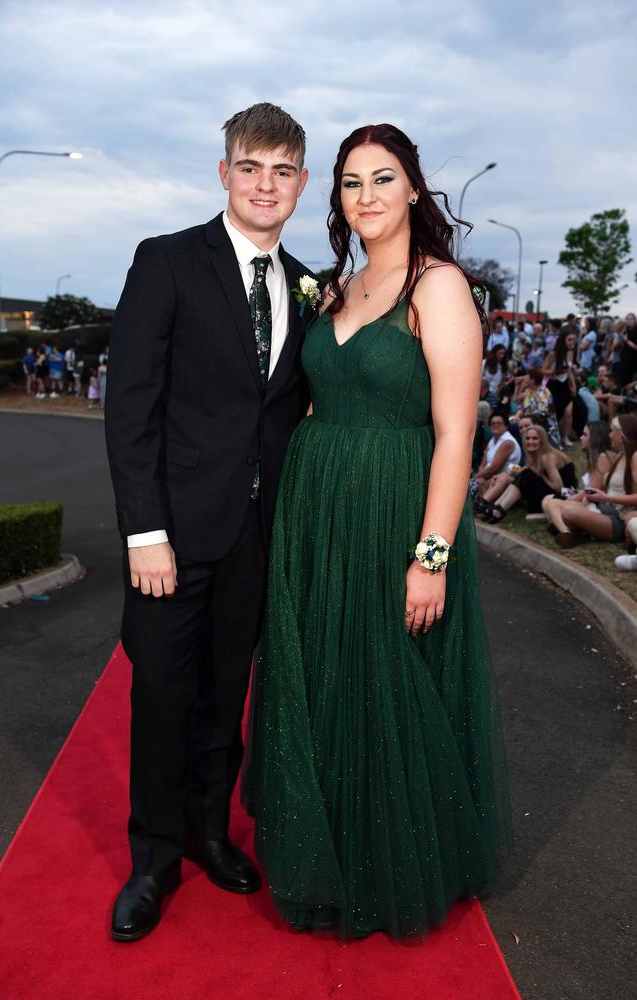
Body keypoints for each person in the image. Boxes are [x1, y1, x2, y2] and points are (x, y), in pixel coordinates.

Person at [243, 123, 512, 939]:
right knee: (327, 676)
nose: (366, 196)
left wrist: (429, 557)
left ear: (415, 190)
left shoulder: (440, 287)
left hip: (397, 509)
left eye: (382, 179)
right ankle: (324, 853)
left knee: (387, 682)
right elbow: (317, 403)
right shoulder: (336, 288)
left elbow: (457, 437)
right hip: (318, 511)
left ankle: (387, 863)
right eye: (351, 183)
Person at [104, 103, 313, 942]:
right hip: (173, 538)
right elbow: (132, 408)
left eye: (284, 171)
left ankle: (208, 832)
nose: (266, 185)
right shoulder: (167, 261)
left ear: (299, 183)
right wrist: (143, 531)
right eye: (251, 167)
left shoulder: (307, 281)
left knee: (226, 697)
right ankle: (151, 861)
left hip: (256, 538)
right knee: (160, 696)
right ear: (224, 173)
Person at [549, 414, 637, 548]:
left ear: (621, 435)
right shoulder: (620, 455)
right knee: (555, 504)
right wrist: (598, 495)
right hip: (606, 509)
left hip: (620, 518)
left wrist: (607, 498)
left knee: (568, 512)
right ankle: (568, 531)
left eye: (613, 431)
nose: (610, 435)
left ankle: (570, 531)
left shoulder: (634, 457)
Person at [481, 425, 577, 524]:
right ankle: (497, 507)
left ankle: (499, 509)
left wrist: (541, 475)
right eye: (527, 438)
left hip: (565, 495)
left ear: (542, 441)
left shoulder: (546, 456)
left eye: (535, 438)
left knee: (526, 474)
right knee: (524, 474)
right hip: (549, 492)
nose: (530, 442)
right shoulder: (535, 455)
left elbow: (559, 487)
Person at [542, 421, 614, 531]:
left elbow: (591, 491)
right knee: (547, 499)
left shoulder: (603, 458)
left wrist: (570, 500)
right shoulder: (594, 457)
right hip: (587, 499)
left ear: (595, 438)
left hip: (599, 504)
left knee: (551, 503)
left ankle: (562, 526)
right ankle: (560, 523)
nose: (581, 438)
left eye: (585, 435)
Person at [543, 329, 577, 445]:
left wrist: (573, 385)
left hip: (565, 385)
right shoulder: (553, 354)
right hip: (553, 386)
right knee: (554, 414)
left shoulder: (571, 353)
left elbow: (569, 371)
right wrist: (555, 372)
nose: (572, 342)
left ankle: (565, 437)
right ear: (563, 340)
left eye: (573, 339)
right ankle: (550, 437)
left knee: (568, 413)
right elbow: (543, 370)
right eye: (569, 339)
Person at [619, 312, 637, 387]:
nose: (629, 321)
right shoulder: (625, 331)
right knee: (623, 381)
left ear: (635, 320)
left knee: (632, 383)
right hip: (624, 360)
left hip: (633, 361)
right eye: (627, 319)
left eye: (631, 319)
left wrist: (626, 340)